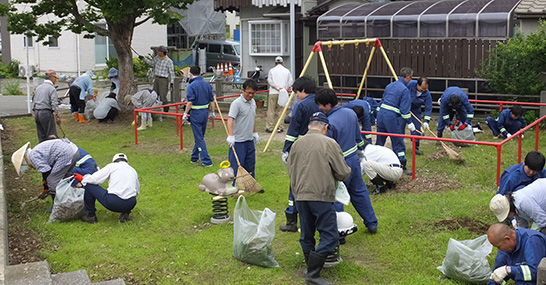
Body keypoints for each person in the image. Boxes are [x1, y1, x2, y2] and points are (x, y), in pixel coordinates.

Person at [287, 112, 351, 285]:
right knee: (330, 236)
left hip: (300, 194)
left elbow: (290, 171)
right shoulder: (329, 143)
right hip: (321, 195)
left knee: (307, 234)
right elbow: (343, 172)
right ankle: (313, 274)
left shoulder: (296, 144)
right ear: (325, 127)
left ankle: (310, 268)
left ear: (309, 126)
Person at [315, 88, 378, 236]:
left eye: (321, 105)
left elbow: (327, 149)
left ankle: (338, 231)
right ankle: (372, 223)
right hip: (354, 161)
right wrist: (360, 153)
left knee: (336, 198)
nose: (319, 108)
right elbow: (358, 138)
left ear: (328, 104)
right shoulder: (350, 113)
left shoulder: (329, 123)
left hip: (339, 165)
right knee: (360, 192)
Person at [279, 76, 320, 233]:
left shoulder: (301, 106)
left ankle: (291, 220)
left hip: (301, 148)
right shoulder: (320, 102)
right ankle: (313, 218)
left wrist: (286, 150)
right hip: (318, 148)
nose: (297, 95)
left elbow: (292, 131)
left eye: (297, 92)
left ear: (303, 90)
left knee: (295, 183)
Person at [74, 153, 140, 224]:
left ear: (114, 161)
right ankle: (126, 215)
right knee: (129, 193)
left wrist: (82, 178)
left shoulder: (112, 166)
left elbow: (95, 179)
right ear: (127, 162)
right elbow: (137, 191)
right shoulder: (133, 170)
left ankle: (91, 216)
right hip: (131, 203)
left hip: (114, 203)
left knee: (88, 184)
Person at [376, 67, 414, 176]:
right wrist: (409, 122)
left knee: (380, 140)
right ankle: (402, 165)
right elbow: (404, 110)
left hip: (381, 115)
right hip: (391, 118)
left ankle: (374, 163)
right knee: (398, 141)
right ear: (408, 77)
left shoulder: (390, 85)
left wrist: (377, 115)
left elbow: (382, 101)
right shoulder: (404, 90)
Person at [227, 79, 260, 181]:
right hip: (238, 141)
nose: (250, 95)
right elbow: (230, 119)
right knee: (236, 165)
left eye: (253, 93)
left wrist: (255, 132)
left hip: (249, 139)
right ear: (243, 90)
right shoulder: (236, 103)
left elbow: (253, 117)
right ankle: (234, 186)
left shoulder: (253, 102)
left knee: (250, 164)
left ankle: (251, 184)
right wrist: (231, 136)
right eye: (248, 93)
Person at [183, 66, 215, 167]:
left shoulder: (192, 86)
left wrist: (185, 114)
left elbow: (190, 102)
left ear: (190, 74)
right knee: (200, 136)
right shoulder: (207, 85)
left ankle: (206, 161)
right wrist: (212, 112)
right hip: (205, 112)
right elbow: (212, 100)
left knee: (199, 138)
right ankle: (194, 157)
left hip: (196, 113)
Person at [140, 45, 175, 112]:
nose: (157, 52)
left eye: (158, 51)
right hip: (156, 78)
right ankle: (155, 109)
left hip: (163, 79)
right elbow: (152, 63)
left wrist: (172, 82)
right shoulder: (157, 58)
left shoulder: (169, 61)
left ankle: (166, 110)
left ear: (162, 52)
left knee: (163, 96)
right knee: (154, 94)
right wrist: (144, 59)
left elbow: (172, 73)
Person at [266, 56, 293, 133]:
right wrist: (285, 88)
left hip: (273, 92)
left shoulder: (272, 70)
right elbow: (290, 81)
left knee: (271, 110)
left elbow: (270, 81)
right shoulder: (287, 71)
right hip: (283, 92)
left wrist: (276, 87)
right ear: (283, 63)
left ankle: (270, 127)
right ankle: (280, 127)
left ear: (275, 63)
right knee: (281, 110)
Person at [32, 69, 61, 142]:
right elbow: (54, 103)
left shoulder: (39, 87)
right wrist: (57, 115)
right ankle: (52, 151)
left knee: (41, 135)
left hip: (37, 112)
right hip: (46, 112)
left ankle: (42, 150)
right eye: (55, 79)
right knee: (51, 135)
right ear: (53, 78)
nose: (55, 81)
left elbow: (33, 100)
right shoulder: (51, 88)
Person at [408, 77, 432, 155]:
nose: (424, 90)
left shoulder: (427, 94)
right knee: (399, 126)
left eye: (425, 89)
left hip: (415, 110)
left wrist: (426, 121)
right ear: (417, 85)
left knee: (417, 128)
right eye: (422, 88)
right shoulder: (410, 84)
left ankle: (416, 148)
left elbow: (428, 108)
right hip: (404, 107)